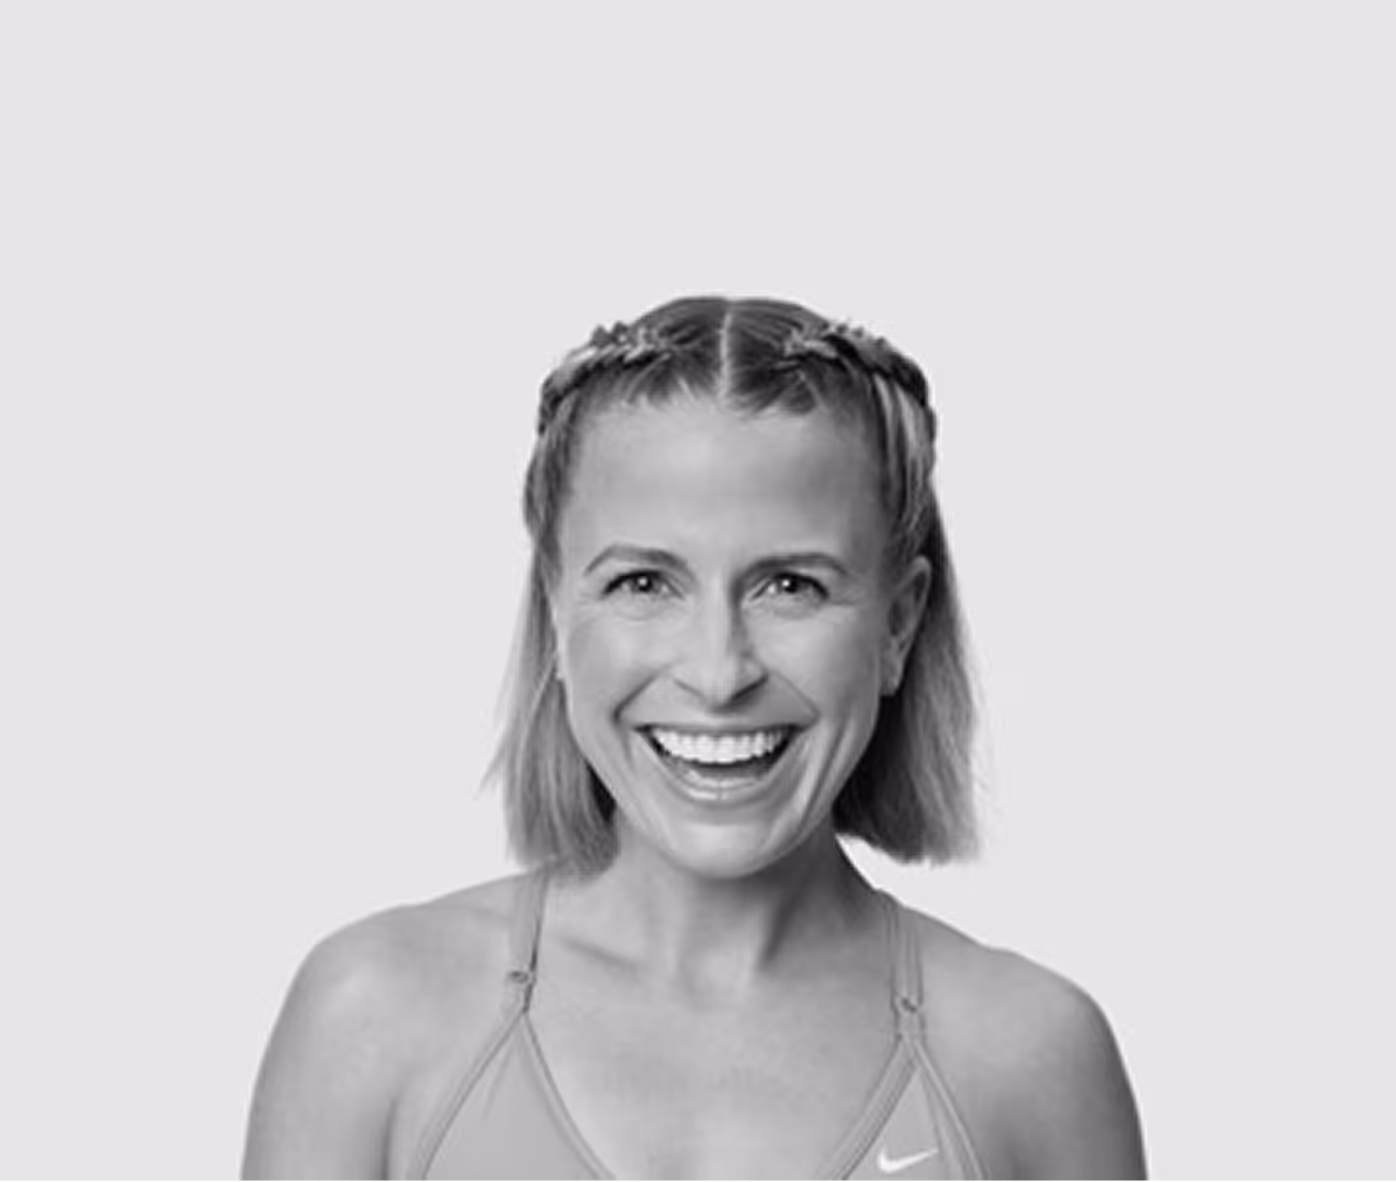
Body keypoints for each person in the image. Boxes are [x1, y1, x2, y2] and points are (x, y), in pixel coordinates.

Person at [240, 296, 1147, 1181]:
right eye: (644, 583)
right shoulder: (375, 1020)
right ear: (557, 612)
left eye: (790, 586)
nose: (719, 674)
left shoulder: (1029, 1060)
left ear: (899, 626)